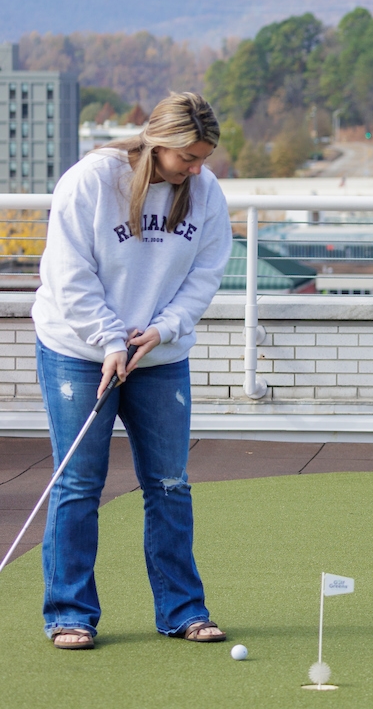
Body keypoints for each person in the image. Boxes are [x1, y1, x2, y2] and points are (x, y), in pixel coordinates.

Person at [33, 93, 233, 649]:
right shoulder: (92, 181)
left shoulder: (206, 191)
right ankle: (69, 614)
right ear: (157, 143)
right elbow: (68, 272)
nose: (197, 169)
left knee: (169, 484)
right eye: (187, 158)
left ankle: (182, 611)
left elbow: (207, 272)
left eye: (203, 158)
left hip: (158, 355)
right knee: (77, 482)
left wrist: (163, 329)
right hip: (77, 346)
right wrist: (108, 338)